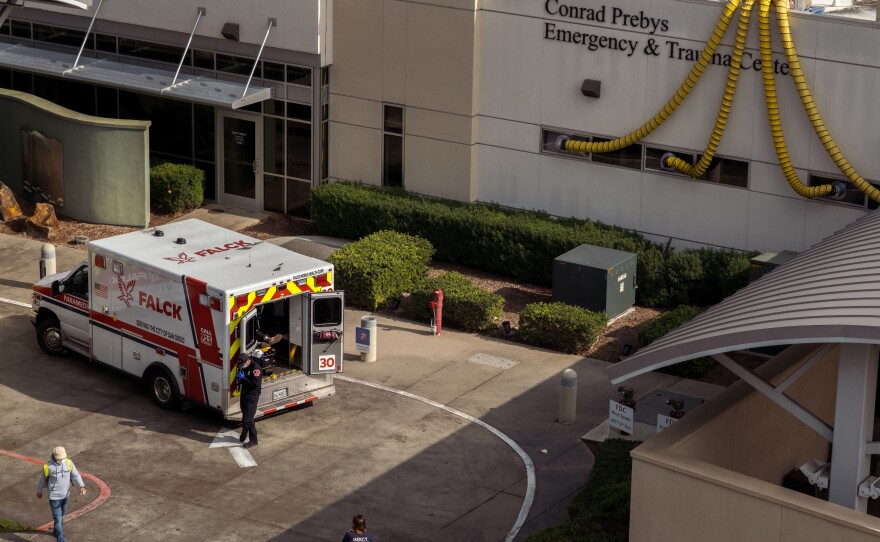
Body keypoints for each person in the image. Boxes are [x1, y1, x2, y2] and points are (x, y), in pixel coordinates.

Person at [36, 446, 87, 542]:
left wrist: (82, 486)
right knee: (58, 518)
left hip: (65, 495)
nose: (61, 460)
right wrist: (39, 491)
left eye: (62, 458)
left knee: (61, 516)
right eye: (60, 458)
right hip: (54, 497)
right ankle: (60, 538)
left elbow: (76, 474)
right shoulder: (48, 466)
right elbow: (42, 479)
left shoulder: (68, 463)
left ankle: (56, 530)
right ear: (54, 457)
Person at [238, 350, 264, 448]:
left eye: (243, 364)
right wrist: (240, 380)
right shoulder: (245, 366)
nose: (242, 366)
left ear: (248, 361)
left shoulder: (256, 369)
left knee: (247, 419)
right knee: (247, 416)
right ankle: (244, 434)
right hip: (244, 394)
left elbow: (255, 385)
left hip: (252, 396)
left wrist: (244, 378)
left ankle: (253, 439)